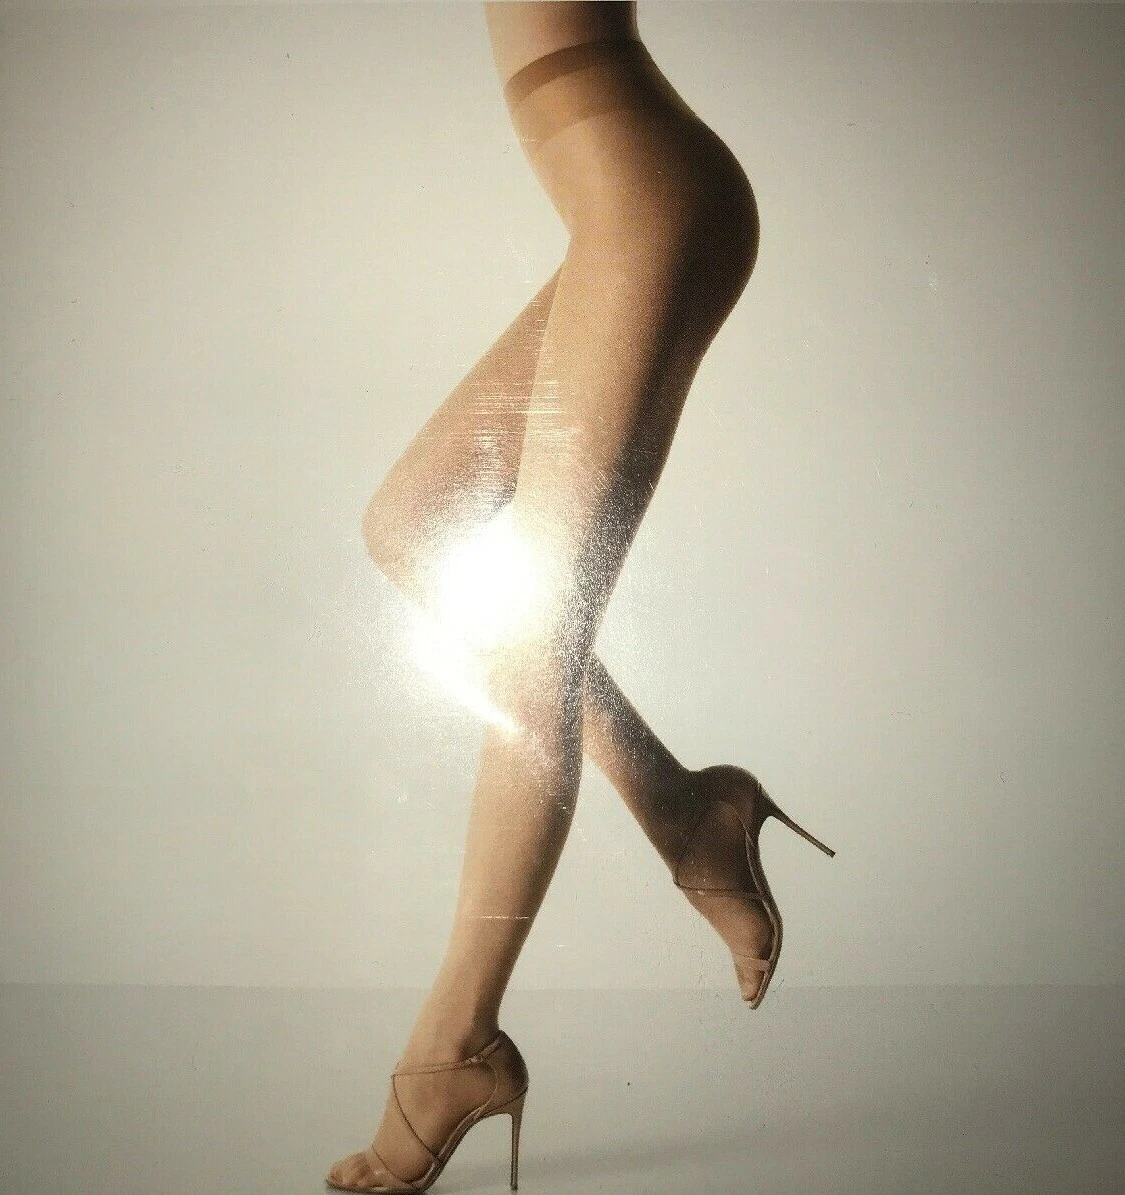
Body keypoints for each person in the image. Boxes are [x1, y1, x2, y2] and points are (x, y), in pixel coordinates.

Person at [326, 3, 833, 1190]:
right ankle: (684, 807)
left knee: (536, 643)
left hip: (643, 201)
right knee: (409, 527)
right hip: (627, 201)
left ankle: (455, 1042)